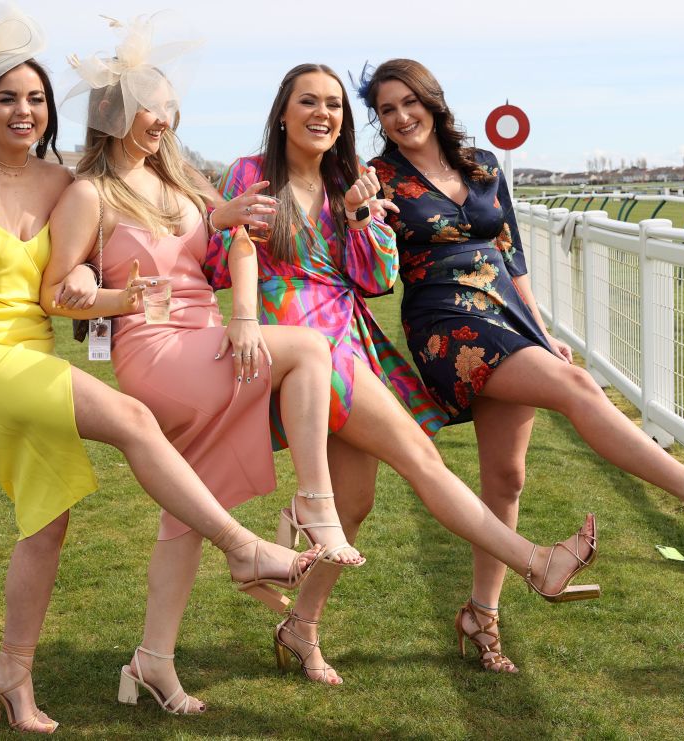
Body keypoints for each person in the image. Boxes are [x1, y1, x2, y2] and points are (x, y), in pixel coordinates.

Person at [0, 6, 320, 733]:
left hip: (32, 348)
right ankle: (245, 547)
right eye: (8, 99)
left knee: (48, 523)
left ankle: (11, 672)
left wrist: (128, 286)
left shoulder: (58, 183)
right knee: (130, 418)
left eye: (35, 99)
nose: (24, 111)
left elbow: (65, 289)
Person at [358, 57, 684, 673]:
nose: (399, 117)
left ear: (431, 101)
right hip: (447, 322)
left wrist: (543, 332)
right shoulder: (379, 176)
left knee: (508, 478)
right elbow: (370, 260)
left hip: (507, 314)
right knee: (578, 387)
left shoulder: (481, 166)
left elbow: (512, 256)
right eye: (386, 110)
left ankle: (481, 615)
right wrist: (362, 215)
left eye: (407, 102)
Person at [214, 63, 601, 686]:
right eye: (307, 101)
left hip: (349, 331)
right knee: (419, 456)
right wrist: (223, 226)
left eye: (334, 105)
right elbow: (225, 258)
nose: (322, 114)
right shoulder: (251, 174)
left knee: (356, 503)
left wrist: (368, 221)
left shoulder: (350, 181)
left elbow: (378, 280)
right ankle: (536, 563)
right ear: (282, 112)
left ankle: (300, 623)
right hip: (297, 332)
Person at [42, 13, 362, 714]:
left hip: (209, 336)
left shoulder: (185, 183)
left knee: (183, 519)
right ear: (115, 113)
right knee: (308, 347)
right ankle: (315, 505)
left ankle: (152, 663)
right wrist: (115, 292)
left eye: (167, 107)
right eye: (149, 107)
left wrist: (241, 296)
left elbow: (240, 239)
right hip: (154, 352)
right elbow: (61, 291)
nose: (163, 119)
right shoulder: (88, 194)